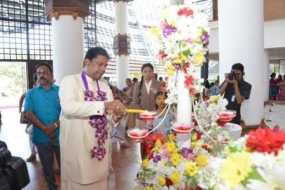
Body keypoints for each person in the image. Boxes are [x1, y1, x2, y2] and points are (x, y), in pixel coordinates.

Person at [59, 47, 126, 190]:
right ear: (87, 62)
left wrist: (115, 117)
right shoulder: (71, 81)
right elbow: (68, 107)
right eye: (99, 64)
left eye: (105, 66)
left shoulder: (104, 87)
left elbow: (107, 117)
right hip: (79, 148)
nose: (103, 69)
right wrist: (105, 104)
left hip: (100, 149)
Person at [24, 62, 61, 190]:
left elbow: (66, 110)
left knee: (65, 165)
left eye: (45, 72)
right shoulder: (31, 93)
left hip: (60, 135)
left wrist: (55, 125)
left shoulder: (60, 91)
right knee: (46, 167)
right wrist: (45, 129)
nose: (42, 75)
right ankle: (52, 187)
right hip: (41, 137)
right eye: (39, 73)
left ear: (51, 75)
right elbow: (29, 113)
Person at [133, 63, 163, 129]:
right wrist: (144, 114)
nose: (147, 73)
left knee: (155, 137)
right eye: (145, 71)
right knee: (142, 137)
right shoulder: (137, 85)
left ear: (152, 72)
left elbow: (162, 100)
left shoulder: (159, 84)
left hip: (156, 116)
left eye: (149, 71)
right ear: (142, 73)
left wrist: (153, 112)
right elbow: (135, 102)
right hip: (141, 117)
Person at [19, 74, 38, 162]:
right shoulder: (32, 92)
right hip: (34, 120)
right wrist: (20, 108)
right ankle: (33, 153)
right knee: (31, 133)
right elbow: (22, 96)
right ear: (35, 82)